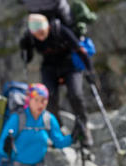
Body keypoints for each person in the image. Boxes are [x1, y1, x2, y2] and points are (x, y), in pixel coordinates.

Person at [19, 13, 95, 146]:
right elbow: (28, 58)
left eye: (42, 32)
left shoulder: (60, 31)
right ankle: (58, 130)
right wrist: (24, 47)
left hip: (70, 66)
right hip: (50, 68)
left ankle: (83, 128)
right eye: (37, 33)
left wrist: (90, 71)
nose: (40, 36)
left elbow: (80, 50)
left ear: (47, 27)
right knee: (48, 98)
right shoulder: (31, 37)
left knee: (76, 95)